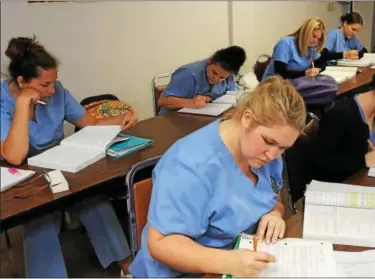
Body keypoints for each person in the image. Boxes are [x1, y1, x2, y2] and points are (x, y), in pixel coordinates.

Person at [129, 76, 307, 277]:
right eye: (268, 141)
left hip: (242, 254)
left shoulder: (264, 153)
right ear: (247, 119)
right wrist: (228, 262)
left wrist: (274, 212)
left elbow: (269, 196)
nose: (274, 155)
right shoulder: (190, 165)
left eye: (283, 148)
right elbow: (161, 243)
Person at [0, 36, 137, 277]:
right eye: (45, 85)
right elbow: (14, 156)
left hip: (61, 164)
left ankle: (127, 266)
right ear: (22, 82)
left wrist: (120, 120)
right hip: (24, 178)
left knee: (95, 201)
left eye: (54, 82)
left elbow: (90, 122)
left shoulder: (58, 92)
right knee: (41, 221)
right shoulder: (3, 101)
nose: (53, 90)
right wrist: (22, 105)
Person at [157, 46, 246, 115]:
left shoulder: (229, 76)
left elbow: (231, 96)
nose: (216, 79)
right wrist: (190, 102)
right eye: (214, 73)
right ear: (210, 60)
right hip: (172, 120)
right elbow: (162, 101)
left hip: (202, 119)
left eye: (222, 78)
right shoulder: (188, 74)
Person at [262, 17, 341, 80]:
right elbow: (280, 73)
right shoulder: (285, 43)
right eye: (314, 36)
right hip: (273, 87)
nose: (315, 41)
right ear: (306, 32)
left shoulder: (310, 46)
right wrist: (305, 73)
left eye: (318, 39)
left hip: (295, 84)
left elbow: (321, 59)